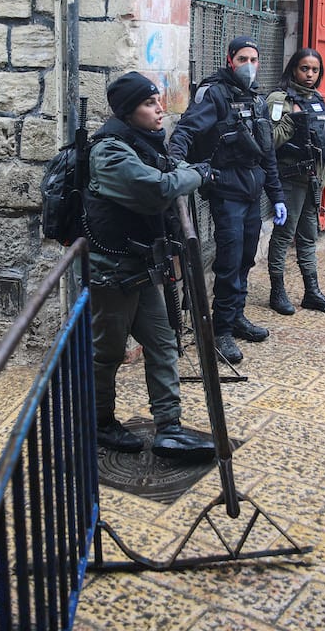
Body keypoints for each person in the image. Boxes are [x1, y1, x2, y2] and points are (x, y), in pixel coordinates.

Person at [85, 72, 216, 461]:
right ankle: (100, 422)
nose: (160, 109)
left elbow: (165, 175)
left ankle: (170, 429)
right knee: (106, 354)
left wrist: (182, 172)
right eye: (149, 103)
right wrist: (196, 173)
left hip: (139, 270)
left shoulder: (142, 143)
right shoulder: (109, 152)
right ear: (128, 111)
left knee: (162, 344)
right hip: (110, 272)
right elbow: (157, 188)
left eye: (158, 101)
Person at [168, 36, 286, 365]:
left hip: (252, 193)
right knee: (229, 261)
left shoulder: (258, 100)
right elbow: (186, 131)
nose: (250, 65)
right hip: (225, 191)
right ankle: (220, 331)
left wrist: (276, 196)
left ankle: (236, 317)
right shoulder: (214, 94)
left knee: (246, 258)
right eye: (244, 59)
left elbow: (267, 154)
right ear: (230, 60)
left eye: (255, 59)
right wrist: (176, 164)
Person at [265, 48, 325, 315]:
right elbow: (269, 140)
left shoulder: (320, 101)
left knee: (309, 237)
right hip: (290, 180)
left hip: (313, 182)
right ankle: (277, 290)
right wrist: (292, 120)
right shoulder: (279, 99)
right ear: (293, 70)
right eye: (304, 69)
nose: (309, 75)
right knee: (284, 236)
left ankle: (312, 291)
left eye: (315, 70)